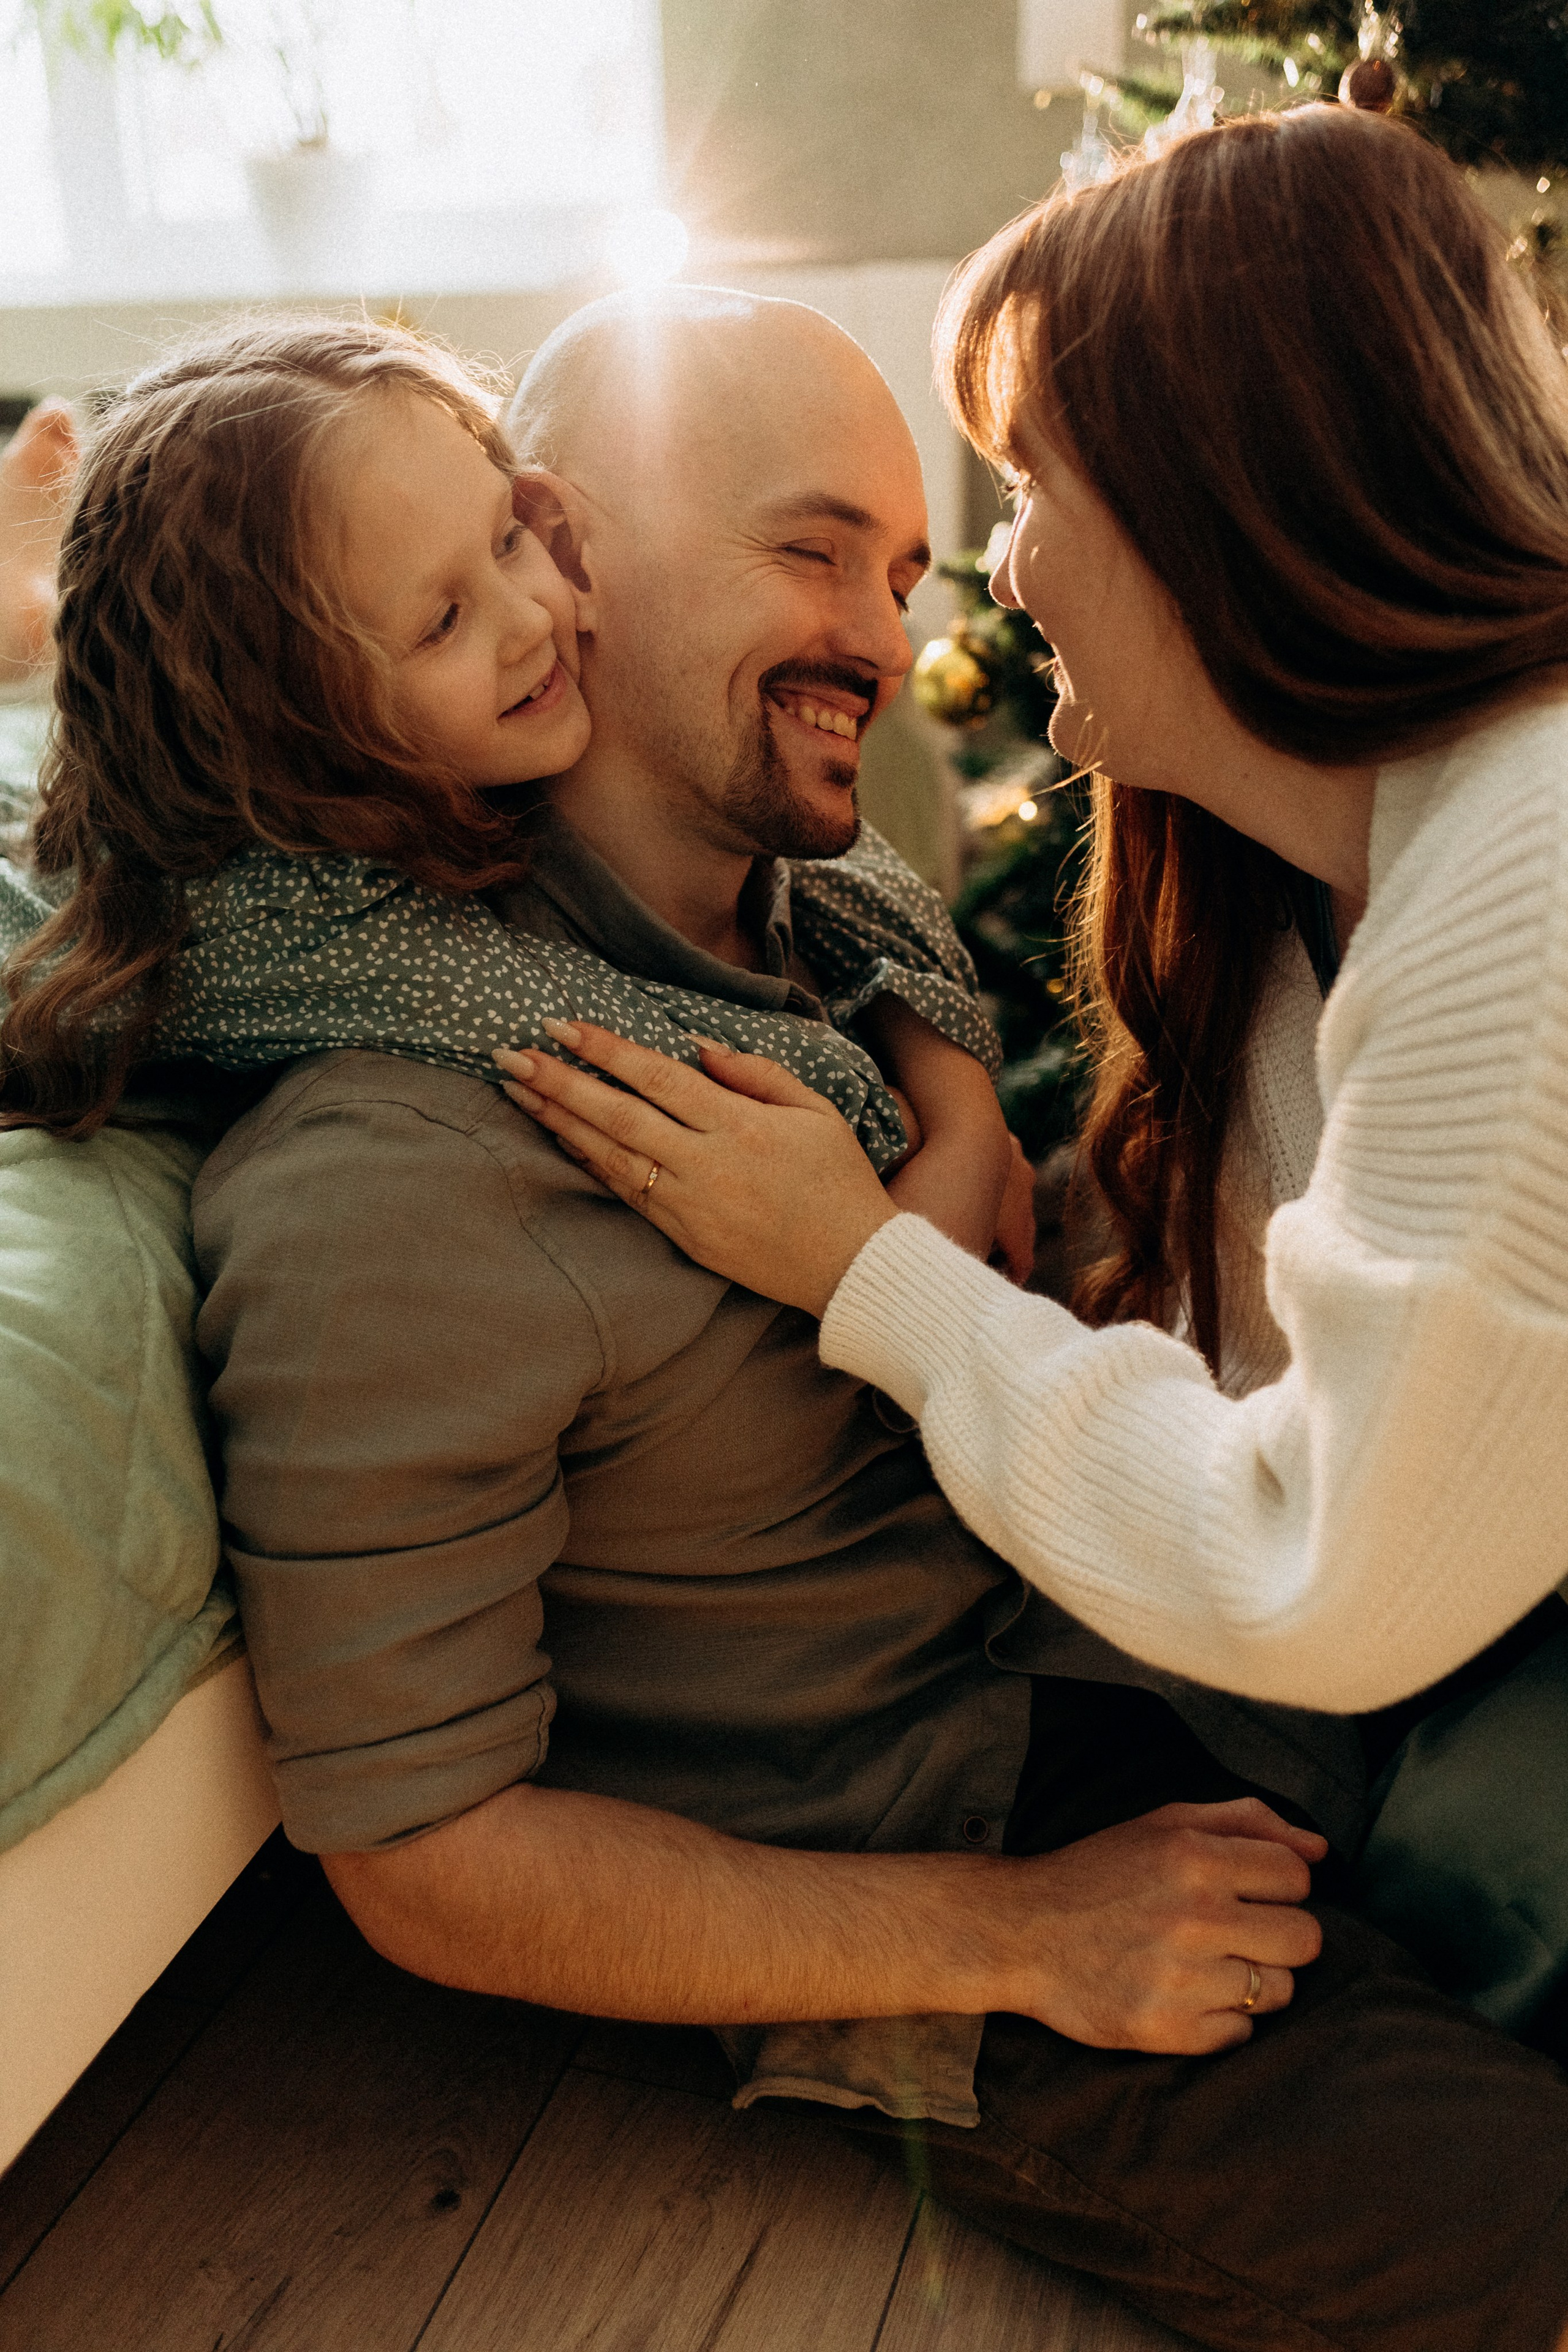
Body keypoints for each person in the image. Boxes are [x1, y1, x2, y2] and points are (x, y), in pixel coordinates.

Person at [9, 295, 1568, 2352]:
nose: (889, 631)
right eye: (811, 548)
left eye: (905, 571)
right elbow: (416, 1851)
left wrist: (950, 1159)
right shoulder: (398, 1172)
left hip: (1149, 1665)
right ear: (589, 543)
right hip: (953, 1866)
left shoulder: (803, 943)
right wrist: (1016, 1938)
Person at [499, 105, 1568, 1724]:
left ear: (1218, 501)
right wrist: (953, 1128)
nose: (1002, 582)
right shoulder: (1302, 908)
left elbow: (1322, 1585)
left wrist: (863, 1263)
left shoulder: (1533, 863)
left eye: (1024, 492)